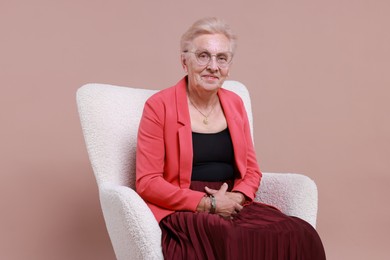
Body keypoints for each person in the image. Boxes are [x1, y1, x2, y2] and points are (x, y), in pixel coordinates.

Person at [136, 17, 326, 260]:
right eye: (203, 55)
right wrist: (208, 204)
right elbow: (147, 181)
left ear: (229, 66)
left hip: (233, 203)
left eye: (221, 58)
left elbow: (252, 171)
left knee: (301, 232)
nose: (213, 66)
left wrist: (235, 198)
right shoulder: (158, 106)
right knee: (229, 236)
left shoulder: (234, 104)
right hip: (186, 206)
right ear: (184, 61)